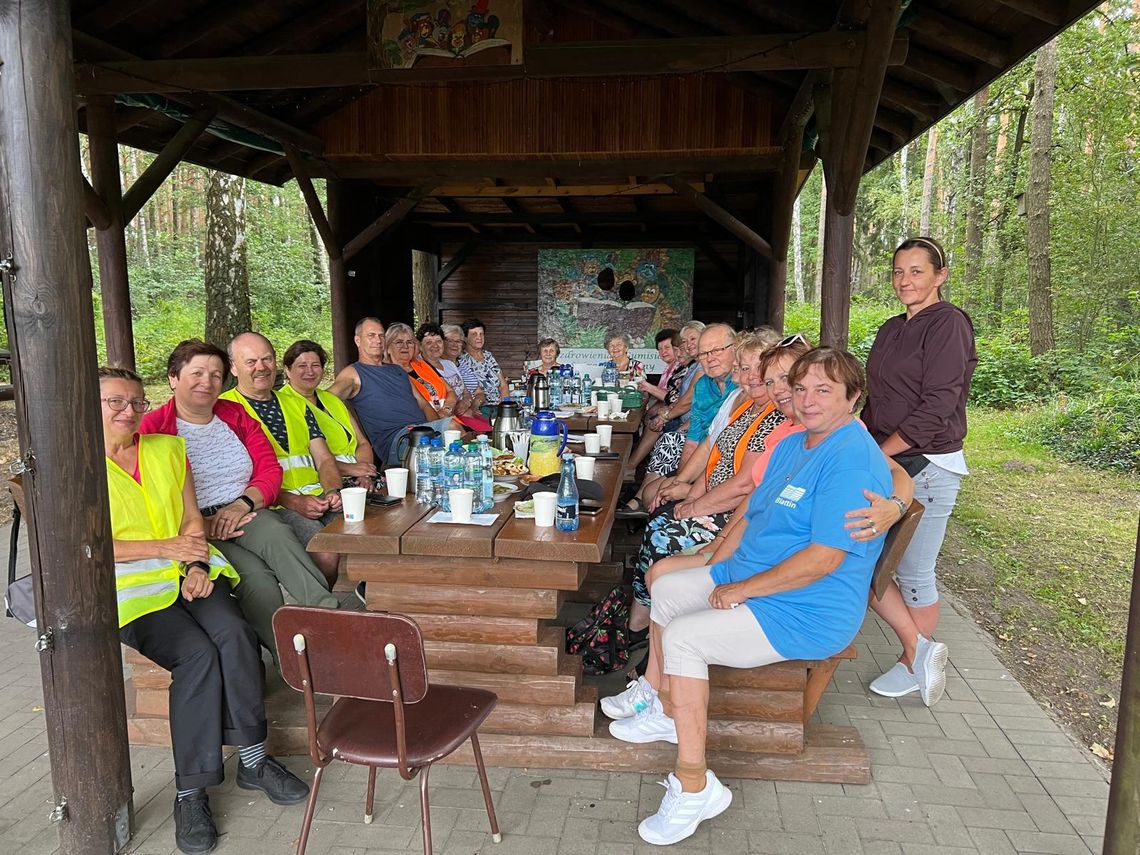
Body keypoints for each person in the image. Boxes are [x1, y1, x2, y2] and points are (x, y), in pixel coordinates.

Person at [606, 349, 894, 846]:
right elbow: (751, 515)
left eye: (823, 390)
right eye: (800, 389)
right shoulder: (793, 444)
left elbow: (823, 560)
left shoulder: (851, 459)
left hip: (807, 607)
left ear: (854, 398)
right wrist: (714, 560)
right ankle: (671, 711)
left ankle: (695, 785)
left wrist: (741, 590)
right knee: (669, 588)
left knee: (685, 638)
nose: (807, 400)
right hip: (756, 577)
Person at [101, 366, 308, 855]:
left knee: (235, 635)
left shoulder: (167, 449)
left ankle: (254, 761)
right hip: (132, 592)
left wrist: (194, 560)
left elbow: (193, 516)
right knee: (197, 656)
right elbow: (81, 546)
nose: (129, 411)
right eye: (115, 402)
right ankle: (190, 790)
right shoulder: (75, 467)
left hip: (188, 574)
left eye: (135, 401)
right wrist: (167, 547)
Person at [140, 339, 340, 664]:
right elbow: (149, 495)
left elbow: (269, 469)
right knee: (256, 579)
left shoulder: (234, 414)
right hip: (195, 527)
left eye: (216, 375)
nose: (208, 382)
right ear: (173, 378)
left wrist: (242, 504)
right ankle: (295, 659)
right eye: (198, 373)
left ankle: (331, 621)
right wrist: (199, 524)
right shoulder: (154, 429)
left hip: (245, 510)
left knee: (276, 533)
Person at [864, 236, 977, 706]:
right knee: (867, 562)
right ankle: (921, 650)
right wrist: (859, 444)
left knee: (912, 571)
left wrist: (882, 452)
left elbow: (938, 405)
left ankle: (914, 663)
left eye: (916, 270)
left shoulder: (949, 324)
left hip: (928, 463)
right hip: (890, 459)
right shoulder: (892, 328)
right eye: (898, 271)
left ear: (940, 275)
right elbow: (876, 400)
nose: (905, 280)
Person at [624, 334, 780, 643]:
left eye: (751, 371)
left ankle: (643, 623)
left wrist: (695, 503)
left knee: (661, 535)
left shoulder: (774, 416)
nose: (745, 379)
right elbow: (711, 446)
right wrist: (686, 486)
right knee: (658, 515)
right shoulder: (742, 403)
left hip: (734, 515)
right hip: (717, 500)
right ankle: (642, 616)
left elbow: (746, 483)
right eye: (741, 370)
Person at [220, 332, 343, 586]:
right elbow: (235, 478)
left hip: (320, 498)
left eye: (266, 359)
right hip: (271, 506)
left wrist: (333, 490)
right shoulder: (223, 409)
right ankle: (320, 615)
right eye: (251, 362)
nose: (261, 367)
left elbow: (324, 458)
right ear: (233, 367)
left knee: (374, 532)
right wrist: (295, 502)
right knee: (326, 551)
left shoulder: (295, 403)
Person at [329, 317, 454, 466]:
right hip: (397, 440)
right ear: (358, 340)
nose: (378, 340)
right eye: (371, 335)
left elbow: (423, 404)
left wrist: (436, 429)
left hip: (422, 433)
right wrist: (357, 434)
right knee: (453, 428)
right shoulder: (353, 373)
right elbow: (327, 398)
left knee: (455, 432)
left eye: (381, 335)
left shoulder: (397, 370)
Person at [280, 339, 377, 489]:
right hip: (321, 483)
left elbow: (362, 442)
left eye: (316, 365)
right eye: (302, 366)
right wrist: (350, 469)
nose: (310, 372)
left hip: (358, 478)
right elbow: (304, 457)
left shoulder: (331, 399)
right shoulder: (281, 403)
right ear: (287, 370)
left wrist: (364, 473)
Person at [417, 322, 489, 431]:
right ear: (420, 346)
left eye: (438, 341)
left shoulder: (449, 364)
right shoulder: (421, 369)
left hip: (467, 413)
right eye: (429, 342)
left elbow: (466, 392)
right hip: (451, 419)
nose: (435, 346)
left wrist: (466, 402)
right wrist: (457, 408)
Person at [459, 318, 508, 405]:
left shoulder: (488, 356)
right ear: (465, 338)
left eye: (481, 334)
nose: (479, 337)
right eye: (474, 334)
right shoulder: (461, 359)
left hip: (498, 405)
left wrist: (504, 404)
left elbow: (503, 385)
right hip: (478, 407)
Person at [442, 323, 484, 408]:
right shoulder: (439, 365)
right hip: (457, 411)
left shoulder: (462, 363)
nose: (454, 345)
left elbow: (479, 393)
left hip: (475, 408)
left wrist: (475, 405)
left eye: (458, 341)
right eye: (450, 341)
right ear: (442, 342)